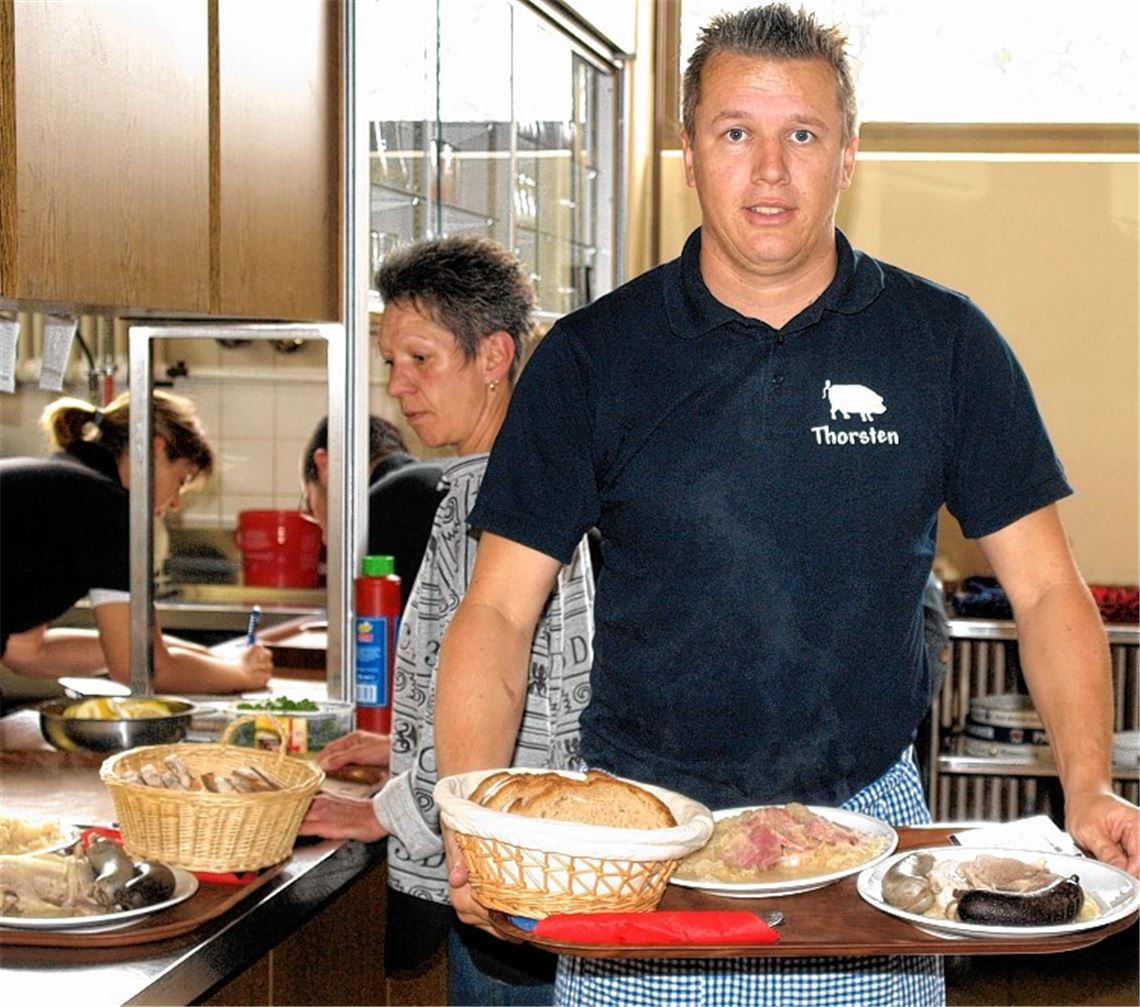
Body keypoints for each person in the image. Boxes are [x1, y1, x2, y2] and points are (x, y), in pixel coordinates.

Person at [433, 4, 1140, 1005]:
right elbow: (500, 609)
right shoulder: (593, 357)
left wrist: (1087, 782)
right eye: (736, 133)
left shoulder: (943, 344)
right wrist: (477, 815)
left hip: (867, 830)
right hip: (641, 845)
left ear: (848, 153)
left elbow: (1048, 588)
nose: (770, 170)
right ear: (689, 152)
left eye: (801, 134)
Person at [298, 235, 595, 1004]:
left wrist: (385, 809)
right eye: (391, 361)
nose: (397, 386)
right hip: (518, 875)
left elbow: (528, 702)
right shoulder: (492, 479)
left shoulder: (504, 498)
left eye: (420, 359)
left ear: (494, 356)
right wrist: (401, 733)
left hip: (509, 887)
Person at [0, 391, 272, 695]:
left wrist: (211, 659)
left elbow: (25, 650)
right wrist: (241, 675)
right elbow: (140, 669)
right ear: (156, 448)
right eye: (181, 480)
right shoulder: (106, 507)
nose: (176, 504)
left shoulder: (62, 489)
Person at [300, 414, 444, 610]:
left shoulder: (376, 510)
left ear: (324, 464)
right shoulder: (439, 476)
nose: (325, 539)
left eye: (310, 505)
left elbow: (372, 631)